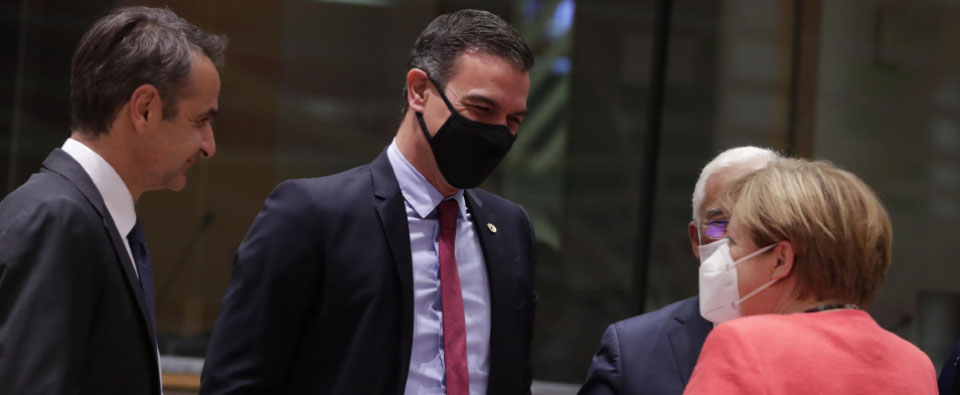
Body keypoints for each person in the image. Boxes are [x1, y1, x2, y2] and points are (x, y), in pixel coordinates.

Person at [200, 9, 537, 395]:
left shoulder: (511, 229)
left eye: (513, 121)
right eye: (481, 109)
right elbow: (236, 382)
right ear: (420, 91)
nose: (496, 133)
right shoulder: (311, 215)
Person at [0, 7, 225, 395]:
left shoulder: (87, 217)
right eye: (200, 120)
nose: (209, 146)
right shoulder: (58, 220)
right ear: (145, 109)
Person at [683, 159, 938, 394]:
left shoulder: (742, 345)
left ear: (780, 260)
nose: (723, 257)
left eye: (732, 242)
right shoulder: (915, 363)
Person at [578, 147, 780, 395]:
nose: (737, 239)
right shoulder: (632, 350)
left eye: (757, 222)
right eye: (720, 224)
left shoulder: (823, 351)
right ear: (696, 240)